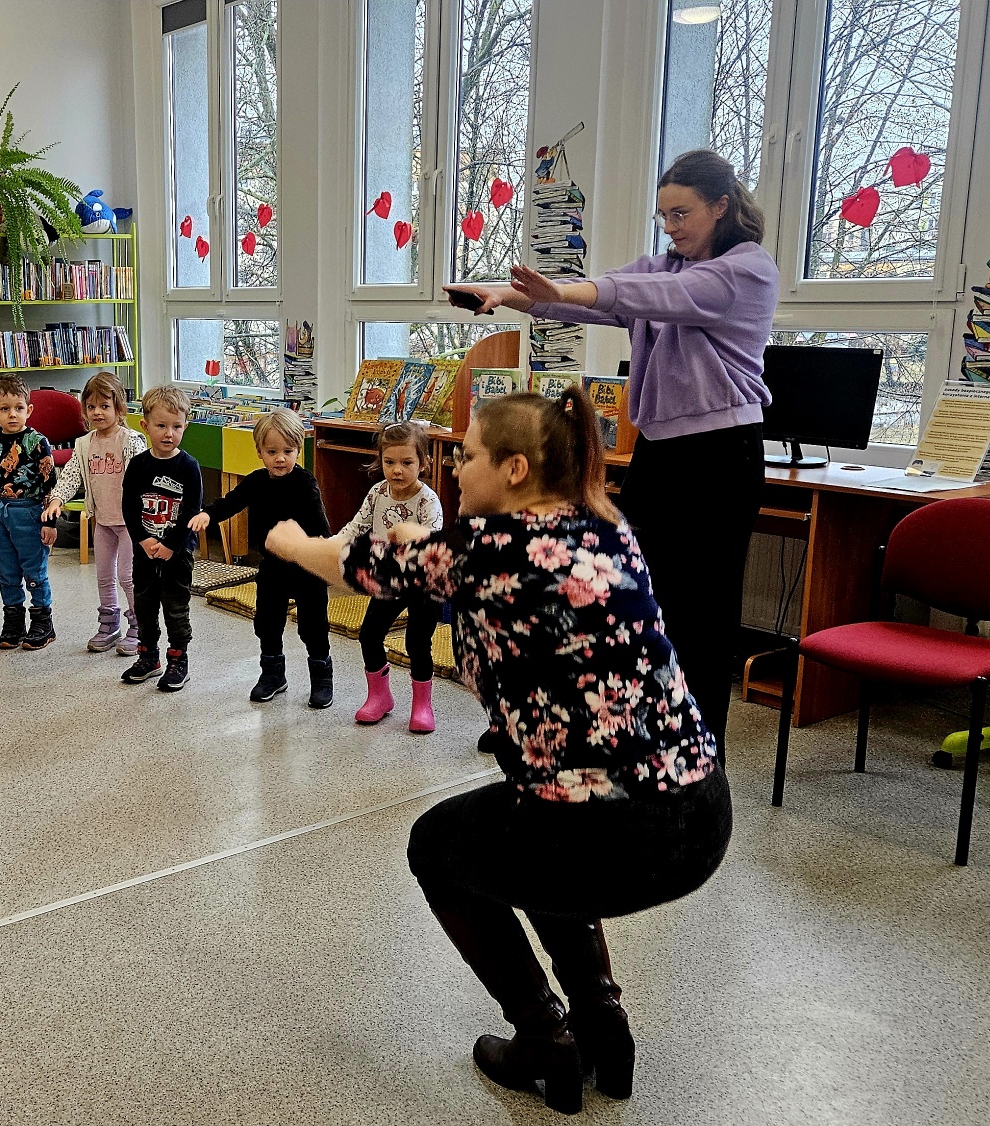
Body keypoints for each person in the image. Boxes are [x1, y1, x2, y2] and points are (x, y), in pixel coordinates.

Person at [266, 387, 731, 1113]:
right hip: (699, 813)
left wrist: (290, 540)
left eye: (469, 455)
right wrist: (421, 547)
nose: (455, 469)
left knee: (438, 847)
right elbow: (475, 571)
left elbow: (350, 565)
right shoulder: (606, 528)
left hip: (613, 829)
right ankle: (604, 1027)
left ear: (514, 469)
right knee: (526, 834)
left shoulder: (486, 548)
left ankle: (545, 1037)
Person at [445, 148, 777, 752]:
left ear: (722, 206)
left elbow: (643, 295)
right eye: (663, 216)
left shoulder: (745, 270)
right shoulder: (664, 268)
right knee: (630, 597)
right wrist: (508, 296)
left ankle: (702, 760)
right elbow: (601, 297)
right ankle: (628, 738)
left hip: (719, 457)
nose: (670, 227)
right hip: (661, 455)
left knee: (700, 618)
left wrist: (575, 291)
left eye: (681, 214)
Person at [187, 407, 333, 707]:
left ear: (298, 450)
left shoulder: (305, 483)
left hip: (308, 568)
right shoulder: (256, 482)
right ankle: (273, 674)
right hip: (272, 568)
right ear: (259, 452)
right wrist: (207, 514)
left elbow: (321, 529)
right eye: (272, 452)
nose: (280, 458)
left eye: (287, 451)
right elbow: (230, 502)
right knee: (267, 622)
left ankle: (321, 678)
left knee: (313, 626)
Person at [335, 422, 445, 733]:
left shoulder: (427, 501)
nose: (397, 470)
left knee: (417, 642)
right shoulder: (377, 493)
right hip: (388, 581)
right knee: (369, 635)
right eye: (389, 462)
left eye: (407, 462)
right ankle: (380, 697)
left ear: (424, 463)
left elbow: (431, 541)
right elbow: (357, 525)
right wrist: (332, 544)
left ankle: (422, 706)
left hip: (424, 584)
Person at [43, 372, 147, 655]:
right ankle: (109, 625)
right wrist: (57, 499)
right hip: (103, 522)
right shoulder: (84, 444)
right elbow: (71, 475)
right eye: (91, 407)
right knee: (103, 577)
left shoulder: (131, 440)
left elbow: (142, 478)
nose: (97, 412)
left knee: (127, 576)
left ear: (119, 408)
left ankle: (140, 626)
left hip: (130, 524)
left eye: (104, 405)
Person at [121, 385, 202, 692]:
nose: (169, 433)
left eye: (176, 427)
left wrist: (171, 545)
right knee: (144, 605)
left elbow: (191, 511)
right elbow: (129, 507)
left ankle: (178, 660)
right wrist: (142, 540)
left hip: (177, 553)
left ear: (185, 426)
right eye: (161, 426)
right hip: (144, 550)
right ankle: (148, 657)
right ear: (145, 426)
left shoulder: (189, 466)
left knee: (175, 607)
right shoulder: (138, 465)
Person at [0, 374, 59, 651]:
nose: (12, 414)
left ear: (28, 410)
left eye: (18, 408)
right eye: (5, 408)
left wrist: (50, 521)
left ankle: (42, 621)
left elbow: (50, 485)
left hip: (29, 512)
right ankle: (13, 621)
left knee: (34, 570)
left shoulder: (37, 442)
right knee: (7, 571)